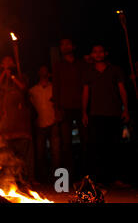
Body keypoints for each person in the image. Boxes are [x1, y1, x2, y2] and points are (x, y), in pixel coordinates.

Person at [82, 44, 130, 186]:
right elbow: (86, 93)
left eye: (100, 52)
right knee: (97, 147)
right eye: (95, 52)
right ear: (92, 55)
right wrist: (84, 112)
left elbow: (122, 90)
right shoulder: (89, 72)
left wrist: (125, 109)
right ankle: (99, 180)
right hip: (96, 114)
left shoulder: (115, 70)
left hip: (114, 113)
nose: (98, 54)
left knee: (115, 146)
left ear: (105, 53)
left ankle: (117, 179)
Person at [0, 56, 34, 182]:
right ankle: (12, 179)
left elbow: (23, 88)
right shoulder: (0, 78)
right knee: (9, 152)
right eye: (5, 61)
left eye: (10, 61)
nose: (8, 63)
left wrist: (12, 77)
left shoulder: (20, 75)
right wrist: (5, 74)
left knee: (23, 152)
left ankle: (27, 178)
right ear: (1, 65)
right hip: (7, 121)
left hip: (20, 120)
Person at [52, 38, 87, 180]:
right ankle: (69, 177)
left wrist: (86, 109)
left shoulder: (81, 64)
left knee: (85, 141)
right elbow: (56, 87)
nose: (65, 46)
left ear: (73, 46)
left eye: (67, 44)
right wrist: (57, 109)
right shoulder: (58, 66)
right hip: (65, 108)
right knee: (66, 144)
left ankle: (86, 175)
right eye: (62, 44)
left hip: (81, 107)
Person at [29, 66, 61, 183]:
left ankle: (56, 179)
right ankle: (42, 179)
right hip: (40, 123)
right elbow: (30, 106)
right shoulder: (32, 91)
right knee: (40, 153)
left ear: (48, 74)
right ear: (38, 73)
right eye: (41, 70)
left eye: (45, 70)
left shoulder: (54, 88)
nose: (43, 72)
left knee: (56, 153)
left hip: (53, 122)